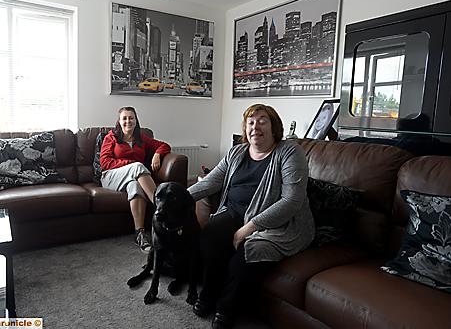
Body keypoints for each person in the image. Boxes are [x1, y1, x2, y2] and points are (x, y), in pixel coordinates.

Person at [188, 104, 314, 329]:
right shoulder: (236, 152)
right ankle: (208, 294)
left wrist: (249, 228)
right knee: (211, 235)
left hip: (277, 224)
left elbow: (292, 201)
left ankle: (226, 310)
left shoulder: (289, 152)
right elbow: (212, 181)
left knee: (248, 253)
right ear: (245, 129)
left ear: (274, 127)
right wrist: (178, 199)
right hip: (234, 212)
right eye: (251, 122)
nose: (256, 126)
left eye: (263, 121)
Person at [99, 106, 171, 253]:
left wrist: (157, 154)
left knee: (135, 187)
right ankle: (161, 208)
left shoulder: (142, 138)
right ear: (119, 122)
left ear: (136, 120)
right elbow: (105, 163)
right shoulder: (111, 137)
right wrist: (131, 164)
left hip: (133, 177)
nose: (128, 121)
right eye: (124, 118)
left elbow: (164, 145)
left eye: (131, 118)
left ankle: (139, 233)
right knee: (137, 166)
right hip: (111, 176)